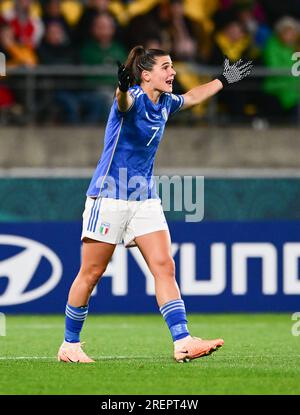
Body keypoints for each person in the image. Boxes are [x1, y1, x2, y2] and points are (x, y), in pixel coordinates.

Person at [57, 45, 252, 363]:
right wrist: (121, 87)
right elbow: (122, 104)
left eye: (172, 66)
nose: (172, 72)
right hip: (108, 196)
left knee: (165, 266)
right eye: (166, 67)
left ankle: (183, 341)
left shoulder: (166, 103)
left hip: (144, 198)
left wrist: (223, 80)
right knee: (91, 273)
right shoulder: (131, 98)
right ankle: (70, 345)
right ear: (146, 75)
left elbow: (193, 97)